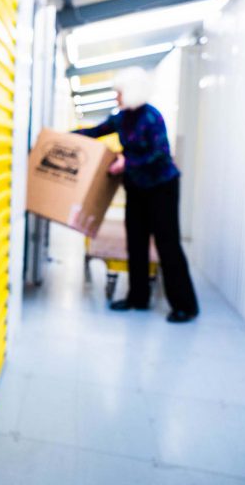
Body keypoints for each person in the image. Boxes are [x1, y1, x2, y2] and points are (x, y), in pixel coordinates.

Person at [76, 67, 199, 323]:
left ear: (131, 92)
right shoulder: (121, 118)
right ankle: (137, 298)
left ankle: (185, 306)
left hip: (162, 187)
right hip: (136, 187)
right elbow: (96, 132)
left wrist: (126, 164)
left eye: (118, 93)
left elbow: (159, 154)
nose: (116, 97)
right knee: (136, 241)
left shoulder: (152, 117)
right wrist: (61, 137)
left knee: (167, 244)